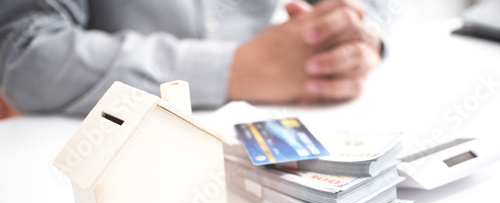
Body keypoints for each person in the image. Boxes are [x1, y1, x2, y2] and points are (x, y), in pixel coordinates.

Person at [0, 0, 388, 117]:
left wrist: (356, 34)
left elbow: (372, 8)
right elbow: (24, 52)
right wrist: (235, 69)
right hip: (116, 136)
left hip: (309, 104)